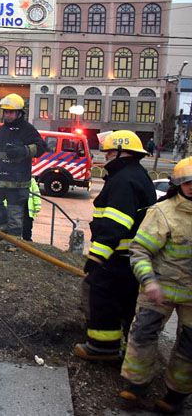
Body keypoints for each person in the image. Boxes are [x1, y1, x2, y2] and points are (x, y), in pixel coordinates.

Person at [73, 130, 157, 362]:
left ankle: (102, 347)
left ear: (121, 152)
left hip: (118, 257)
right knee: (126, 303)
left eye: (109, 151)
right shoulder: (134, 175)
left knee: (101, 296)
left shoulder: (124, 181)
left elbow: (114, 225)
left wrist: (96, 258)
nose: (106, 155)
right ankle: (128, 351)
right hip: (129, 257)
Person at [119, 156, 192, 414]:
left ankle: (176, 394)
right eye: (188, 182)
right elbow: (139, 251)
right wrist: (148, 281)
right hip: (158, 289)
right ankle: (135, 386)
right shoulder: (163, 213)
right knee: (143, 335)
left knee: (189, 346)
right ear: (178, 184)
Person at [0, 93, 47, 246]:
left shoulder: (28, 130)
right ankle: (0, 231)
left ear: (19, 113)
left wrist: (23, 151)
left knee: (15, 212)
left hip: (17, 180)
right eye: (5, 112)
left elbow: (41, 147)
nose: (7, 115)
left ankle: (13, 241)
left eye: (11, 112)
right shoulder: (2, 130)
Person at [22, 177, 42, 242]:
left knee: (27, 226)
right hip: (17, 206)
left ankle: (27, 240)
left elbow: (36, 194)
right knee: (14, 224)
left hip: (27, 208)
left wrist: (37, 206)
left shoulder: (31, 180)